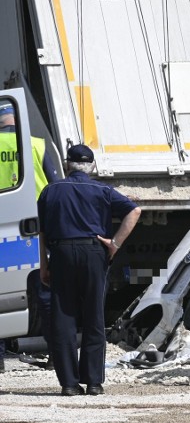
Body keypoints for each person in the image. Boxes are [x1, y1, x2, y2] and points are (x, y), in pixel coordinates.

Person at [37, 144, 141, 396]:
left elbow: (42, 231)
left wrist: (44, 266)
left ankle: (69, 384)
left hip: (61, 253)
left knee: (63, 317)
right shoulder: (102, 190)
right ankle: (94, 382)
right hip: (94, 251)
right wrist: (114, 243)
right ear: (92, 166)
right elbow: (134, 210)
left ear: (66, 165)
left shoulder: (50, 191)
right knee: (93, 316)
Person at [0, 103, 60, 373]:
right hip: (37, 232)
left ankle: (0, 358)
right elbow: (55, 186)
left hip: (4, 230)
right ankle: (56, 354)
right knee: (46, 296)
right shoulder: (36, 143)